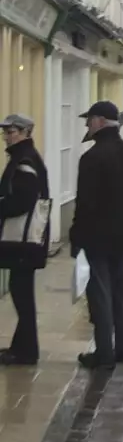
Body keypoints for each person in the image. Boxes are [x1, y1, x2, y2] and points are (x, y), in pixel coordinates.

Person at [70, 100, 123, 369]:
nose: (87, 125)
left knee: (99, 294)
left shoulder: (92, 158)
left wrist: (77, 236)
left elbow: (86, 203)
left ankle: (104, 353)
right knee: (118, 292)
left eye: (89, 120)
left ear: (99, 121)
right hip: (120, 234)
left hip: (96, 236)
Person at [0, 112, 50, 365]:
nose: (8, 136)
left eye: (13, 131)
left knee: (22, 296)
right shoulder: (25, 157)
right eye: (6, 132)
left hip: (22, 240)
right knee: (22, 295)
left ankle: (26, 352)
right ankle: (20, 348)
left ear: (26, 133)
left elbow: (22, 201)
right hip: (24, 240)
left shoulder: (24, 161)